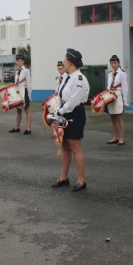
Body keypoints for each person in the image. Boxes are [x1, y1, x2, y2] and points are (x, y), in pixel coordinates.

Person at [51, 48, 90, 192]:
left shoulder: (79, 79)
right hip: (65, 113)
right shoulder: (67, 77)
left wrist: (59, 112)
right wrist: (58, 112)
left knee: (75, 147)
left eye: (65, 60)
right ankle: (63, 177)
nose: (64, 62)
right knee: (65, 146)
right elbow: (61, 96)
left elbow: (74, 101)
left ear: (70, 62)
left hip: (75, 113)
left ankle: (81, 180)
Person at [105, 55, 129, 146]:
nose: (113, 65)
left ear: (118, 63)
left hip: (118, 96)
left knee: (119, 118)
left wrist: (125, 101)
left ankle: (122, 138)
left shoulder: (122, 74)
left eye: (115, 63)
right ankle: (115, 137)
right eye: (111, 63)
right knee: (112, 118)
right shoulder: (109, 74)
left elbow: (125, 88)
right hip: (110, 96)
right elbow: (108, 86)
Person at [9, 54, 33, 135]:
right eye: (17, 60)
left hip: (24, 91)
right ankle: (17, 127)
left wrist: (29, 95)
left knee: (27, 110)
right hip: (18, 92)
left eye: (19, 60)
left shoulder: (26, 71)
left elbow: (29, 84)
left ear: (23, 61)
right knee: (18, 110)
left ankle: (28, 129)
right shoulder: (17, 71)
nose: (17, 62)